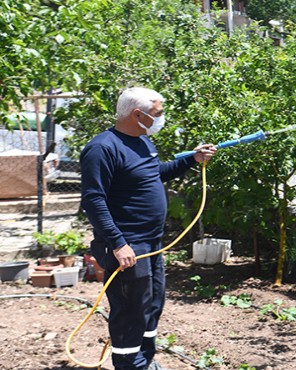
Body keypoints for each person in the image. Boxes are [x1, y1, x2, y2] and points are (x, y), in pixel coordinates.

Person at [80, 87, 216, 370]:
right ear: (137, 114)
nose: (161, 118)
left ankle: (145, 360)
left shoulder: (141, 141)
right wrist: (118, 243)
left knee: (151, 304)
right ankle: (131, 365)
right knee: (130, 310)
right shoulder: (102, 148)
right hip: (127, 247)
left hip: (152, 244)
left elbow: (155, 173)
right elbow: (93, 201)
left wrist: (191, 159)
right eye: (158, 114)